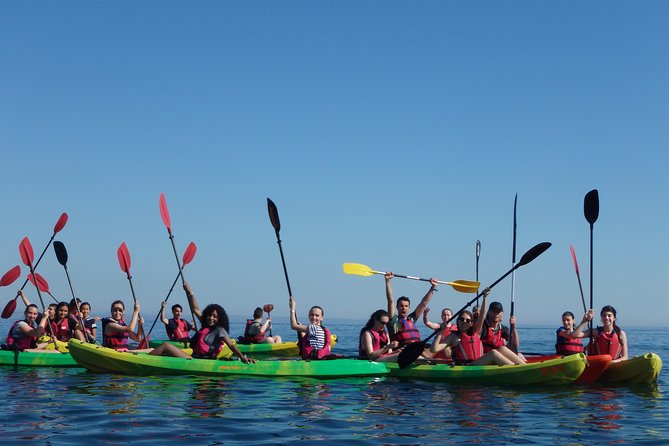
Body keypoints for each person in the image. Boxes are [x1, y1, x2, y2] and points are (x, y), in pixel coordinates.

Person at [149, 283, 254, 363]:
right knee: (166, 347)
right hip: (195, 358)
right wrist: (190, 293)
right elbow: (195, 309)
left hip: (203, 361)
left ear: (219, 319)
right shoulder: (206, 325)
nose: (211, 318)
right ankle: (146, 359)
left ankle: (144, 360)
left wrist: (242, 357)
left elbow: (231, 345)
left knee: (166, 346)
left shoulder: (220, 330)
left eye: (215, 316)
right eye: (209, 315)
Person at [430, 289, 525, 365]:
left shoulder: (475, 331)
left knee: (503, 349)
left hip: (478, 361)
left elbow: (482, 316)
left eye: (467, 320)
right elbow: (433, 349)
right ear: (458, 321)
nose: (464, 322)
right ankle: (517, 370)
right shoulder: (453, 336)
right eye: (462, 319)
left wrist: (484, 298)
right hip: (467, 366)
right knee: (493, 353)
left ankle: (524, 367)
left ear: (471, 323)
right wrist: (441, 332)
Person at [384, 272, 438, 348]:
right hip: (400, 353)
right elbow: (390, 301)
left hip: (415, 350)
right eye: (401, 306)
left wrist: (433, 287)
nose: (404, 308)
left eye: (406, 306)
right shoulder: (393, 319)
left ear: (409, 308)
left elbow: (423, 303)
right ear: (397, 307)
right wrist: (388, 281)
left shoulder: (411, 319)